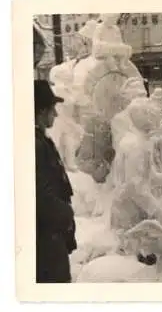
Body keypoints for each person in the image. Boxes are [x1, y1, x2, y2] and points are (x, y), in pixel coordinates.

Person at [35, 80, 77, 283]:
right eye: (53, 109)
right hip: (46, 238)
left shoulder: (40, 140)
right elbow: (39, 193)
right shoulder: (34, 144)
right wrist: (64, 213)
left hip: (51, 234)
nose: (56, 114)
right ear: (42, 111)